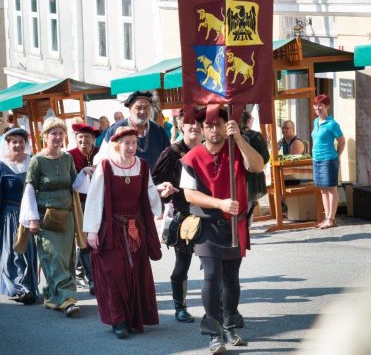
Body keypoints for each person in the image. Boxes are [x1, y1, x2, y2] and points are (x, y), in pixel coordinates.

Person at [179, 107, 264, 354]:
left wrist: (238, 137)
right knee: (211, 276)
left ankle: (229, 327)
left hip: (235, 226)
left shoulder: (237, 149)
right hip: (206, 225)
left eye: (219, 125)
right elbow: (189, 194)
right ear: (202, 129)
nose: (213, 130)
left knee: (231, 279)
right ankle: (213, 333)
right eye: (209, 126)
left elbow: (257, 166)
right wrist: (219, 203)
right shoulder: (191, 157)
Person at [83, 126, 175, 339]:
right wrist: (92, 231)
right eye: (127, 143)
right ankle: (118, 320)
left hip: (136, 229)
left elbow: (149, 190)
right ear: (117, 145)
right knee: (115, 275)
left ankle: (133, 318)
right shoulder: (105, 166)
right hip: (112, 230)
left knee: (134, 275)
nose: (131, 147)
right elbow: (95, 199)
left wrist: (160, 194)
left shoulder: (142, 166)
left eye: (134, 143)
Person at [20, 117, 80, 316]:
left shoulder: (68, 159)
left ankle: (51, 295)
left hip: (67, 217)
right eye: (53, 133)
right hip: (46, 219)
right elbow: (29, 189)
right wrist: (32, 218)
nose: (57, 137)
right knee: (52, 257)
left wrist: (88, 173)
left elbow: (75, 185)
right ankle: (66, 299)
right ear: (45, 136)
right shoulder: (37, 160)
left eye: (61, 133)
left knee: (66, 258)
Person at [152, 110, 203, 323]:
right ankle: (180, 307)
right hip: (183, 215)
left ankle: (219, 306)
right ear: (181, 126)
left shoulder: (210, 149)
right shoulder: (172, 152)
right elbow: (154, 182)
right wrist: (164, 191)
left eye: (197, 123)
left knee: (215, 263)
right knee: (183, 262)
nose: (193, 127)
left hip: (209, 213)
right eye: (188, 122)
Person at [0, 128, 39, 305]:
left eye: (20, 141)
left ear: (26, 143)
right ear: (7, 144)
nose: (17, 145)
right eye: (13, 142)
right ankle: (17, 289)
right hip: (9, 213)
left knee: (29, 251)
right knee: (13, 252)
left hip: (29, 212)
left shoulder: (32, 162)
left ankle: (30, 287)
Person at [96, 91, 170, 170]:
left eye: (146, 108)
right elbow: (102, 158)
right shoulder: (115, 129)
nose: (143, 111)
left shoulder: (159, 131)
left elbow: (168, 159)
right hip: (124, 180)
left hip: (156, 181)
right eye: (138, 108)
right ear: (130, 109)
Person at [68, 123, 100, 295]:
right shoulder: (70, 156)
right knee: (85, 241)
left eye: (87, 137)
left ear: (93, 140)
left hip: (99, 202)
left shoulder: (99, 153)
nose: (84, 140)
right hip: (79, 205)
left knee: (99, 240)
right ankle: (92, 280)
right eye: (80, 137)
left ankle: (98, 277)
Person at [311, 94, 345, 229]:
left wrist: (337, 155)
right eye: (316, 105)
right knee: (323, 189)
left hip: (328, 159)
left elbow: (342, 141)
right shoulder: (315, 121)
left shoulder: (332, 124)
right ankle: (326, 218)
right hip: (317, 159)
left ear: (327, 107)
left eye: (320, 105)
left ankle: (331, 218)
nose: (317, 108)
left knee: (331, 189)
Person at [240, 110, 270, 206]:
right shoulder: (256, 136)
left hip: (237, 177)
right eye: (252, 119)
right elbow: (265, 158)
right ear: (249, 120)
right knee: (247, 210)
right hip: (253, 178)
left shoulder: (232, 136)